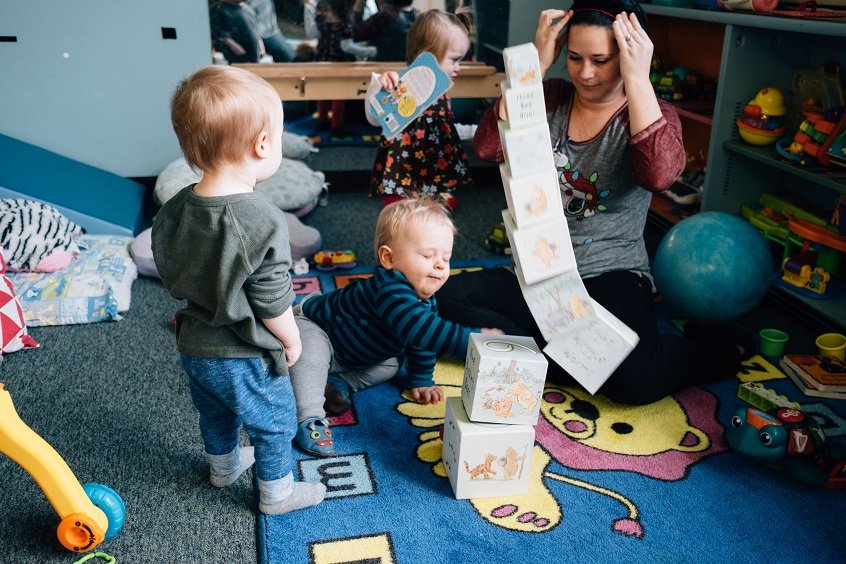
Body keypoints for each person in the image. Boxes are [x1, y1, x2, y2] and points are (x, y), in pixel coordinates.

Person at [436, 0, 755, 406]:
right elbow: (486, 146)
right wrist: (531, 67)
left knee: (634, 383)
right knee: (445, 296)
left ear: (629, 55)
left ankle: (715, 347)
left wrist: (638, 80)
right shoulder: (550, 96)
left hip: (610, 277)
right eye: (574, 57)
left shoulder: (650, 114)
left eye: (601, 61)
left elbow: (658, 176)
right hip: (540, 279)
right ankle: (573, 356)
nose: (585, 73)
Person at [151, 65, 326, 514]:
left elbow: (168, 267)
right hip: (243, 351)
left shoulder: (175, 207)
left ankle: (223, 467)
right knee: (272, 422)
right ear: (263, 145)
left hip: (194, 344)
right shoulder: (261, 218)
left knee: (215, 412)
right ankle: (277, 493)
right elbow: (272, 297)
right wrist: (289, 340)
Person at [291, 198, 503, 417]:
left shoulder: (425, 299)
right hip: (317, 329)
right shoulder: (389, 289)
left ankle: (337, 382)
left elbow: (421, 340)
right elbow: (422, 328)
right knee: (311, 351)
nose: (440, 264)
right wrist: (469, 342)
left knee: (391, 366)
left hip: (355, 357)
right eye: (428, 256)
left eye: (446, 258)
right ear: (388, 258)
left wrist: (421, 379)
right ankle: (309, 415)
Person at [364, 9, 473, 211]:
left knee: (430, 225)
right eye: (454, 60)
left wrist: (476, 131)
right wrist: (377, 87)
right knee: (401, 225)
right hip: (400, 179)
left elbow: (448, 127)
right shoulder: (397, 87)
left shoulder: (442, 93)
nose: (459, 67)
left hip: (432, 177)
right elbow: (374, 117)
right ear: (427, 55)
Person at [352, 0, 420, 62]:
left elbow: (355, 33)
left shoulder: (388, 15)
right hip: (408, 66)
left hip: (383, 67)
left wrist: (357, 9)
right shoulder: (418, 15)